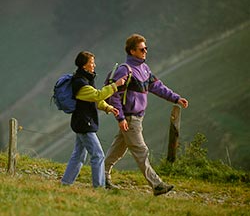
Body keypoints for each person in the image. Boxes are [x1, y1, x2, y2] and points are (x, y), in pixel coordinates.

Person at [105, 34, 189, 196]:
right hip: (129, 118)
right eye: (142, 49)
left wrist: (176, 98)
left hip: (138, 117)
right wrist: (120, 118)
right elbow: (114, 95)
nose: (145, 52)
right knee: (141, 150)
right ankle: (157, 185)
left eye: (146, 49)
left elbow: (158, 87)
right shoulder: (125, 70)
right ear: (132, 51)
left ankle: (101, 176)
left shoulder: (144, 69)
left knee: (117, 150)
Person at [61, 51, 126, 188]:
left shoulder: (86, 79)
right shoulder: (80, 83)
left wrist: (108, 108)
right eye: (91, 63)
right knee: (98, 154)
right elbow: (97, 95)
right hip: (84, 123)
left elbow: (95, 99)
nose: (94, 65)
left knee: (79, 155)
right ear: (84, 66)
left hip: (82, 122)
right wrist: (116, 85)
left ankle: (66, 183)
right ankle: (99, 187)